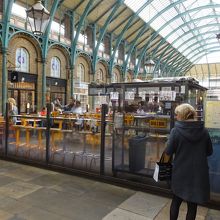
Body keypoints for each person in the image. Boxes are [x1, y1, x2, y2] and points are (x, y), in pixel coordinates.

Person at [164, 103, 213, 220]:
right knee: (192, 206)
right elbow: (209, 152)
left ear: (182, 115)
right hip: (198, 174)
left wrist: (168, 143)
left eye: (177, 114)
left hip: (180, 172)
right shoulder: (204, 131)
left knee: (176, 201)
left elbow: (168, 151)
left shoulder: (176, 131)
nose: (176, 117)